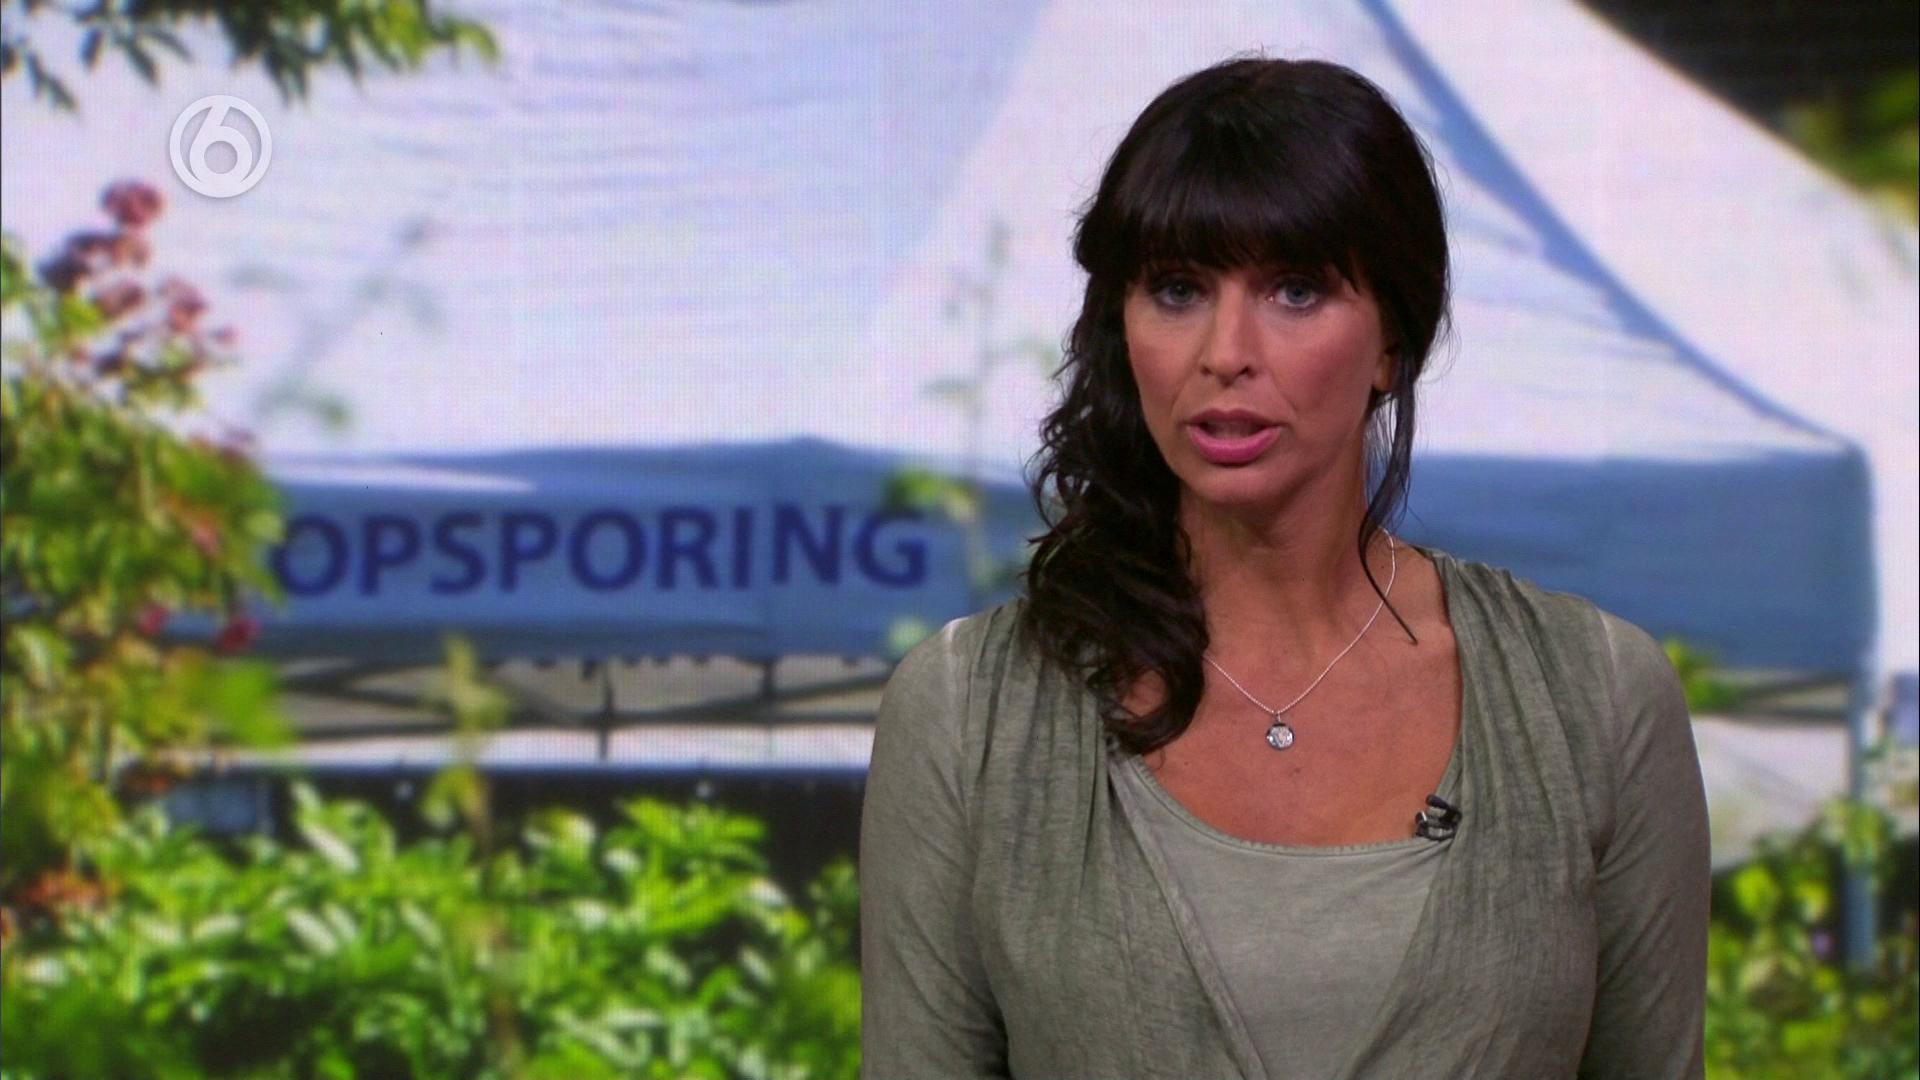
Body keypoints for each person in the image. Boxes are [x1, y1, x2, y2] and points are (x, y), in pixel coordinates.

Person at [858, 56, 1709, 1080]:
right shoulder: (967, 712)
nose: (1227, 350)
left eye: (1295, 290)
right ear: (1123, 325)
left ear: (1392, 339)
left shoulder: (1595, 699)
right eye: (1178, 289)